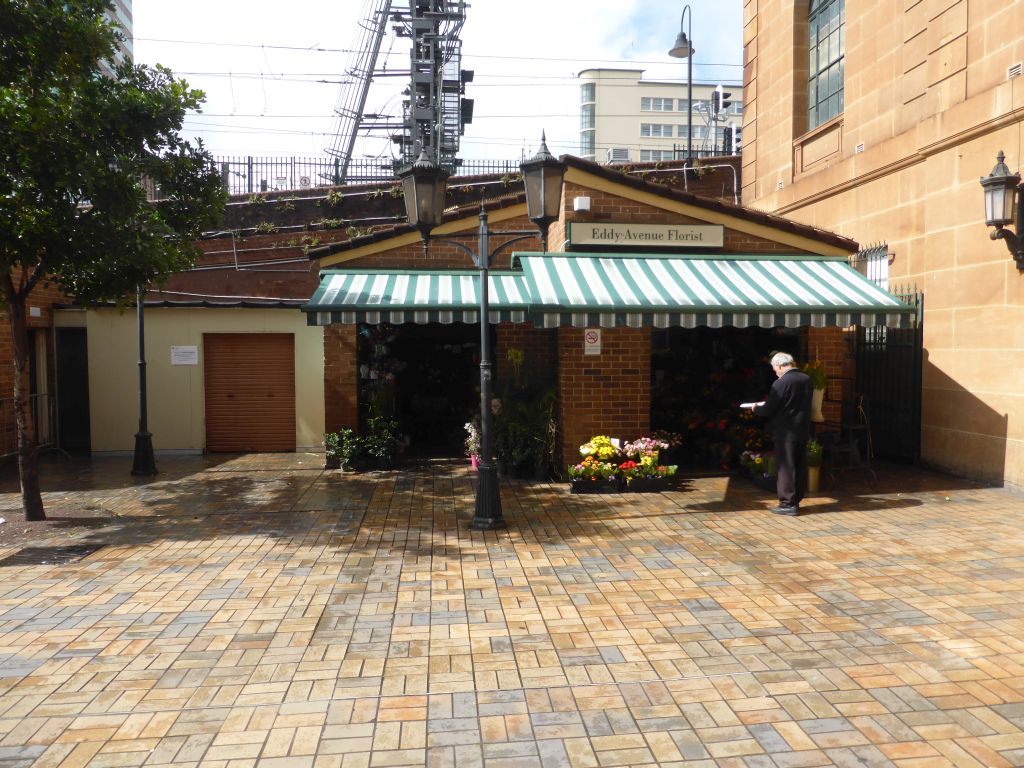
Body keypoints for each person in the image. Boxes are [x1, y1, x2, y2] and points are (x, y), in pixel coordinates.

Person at [749, 352, 813, 516]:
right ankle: (796, 500)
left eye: (774, 368)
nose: (775, 372)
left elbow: (770, 408)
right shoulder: (806, 379)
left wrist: (757, 408)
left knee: (785, 467)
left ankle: (787, 503)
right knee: (799, 466)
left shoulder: (780, 383)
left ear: (779, 366)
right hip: (802, 429)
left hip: (785, 431)